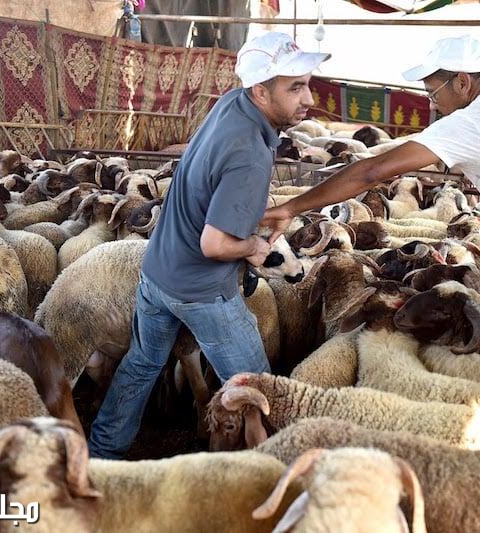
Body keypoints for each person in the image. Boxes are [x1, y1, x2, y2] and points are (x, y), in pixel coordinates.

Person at [262, 35, 480, 342]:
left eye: (433, 93)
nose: (431, 104)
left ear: (462, 82)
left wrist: (291, 208)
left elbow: (372, 171)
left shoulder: (475, 120)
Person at [87, 32, 329, 459]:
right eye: (295, 87)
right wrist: (253, 247)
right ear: (260, 90)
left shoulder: (229, 106)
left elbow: (209, 191)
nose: (308, 97)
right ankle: (269, 469)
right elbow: (216, 243)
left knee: (143, 364)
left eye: (307, 83)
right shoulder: (250, 153)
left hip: (158, 271)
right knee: (255, 388)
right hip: (202, 291)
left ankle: (102, 454)